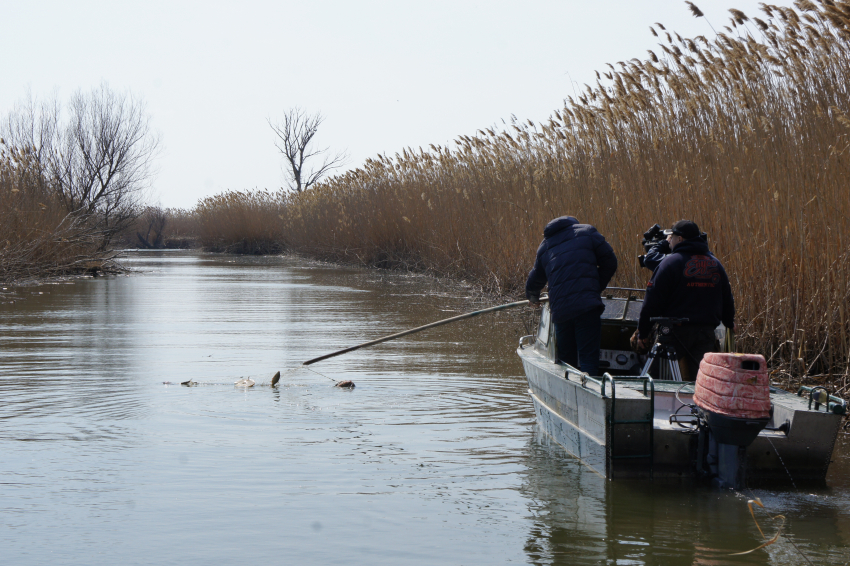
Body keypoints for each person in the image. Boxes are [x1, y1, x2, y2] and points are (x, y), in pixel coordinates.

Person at [636, 220, 735, 380]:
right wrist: (729, 322)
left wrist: (643, 332)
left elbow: (652, 301)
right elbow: (727, 298)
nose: (670, 242)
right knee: (700, 381)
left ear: (680, 239)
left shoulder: (669, 263)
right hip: (706, 334)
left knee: (658, 379)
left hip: (674, 334)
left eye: (672, 237)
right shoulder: (715, 264)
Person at [526, 216, 618, 376]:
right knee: (588, 358)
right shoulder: (587, 232)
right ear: (572, 224)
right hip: (587, 308)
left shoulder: (545, 246)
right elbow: (610, 261)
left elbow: (535, 279)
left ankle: (567, 394)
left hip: (562, 312)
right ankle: (591, 390)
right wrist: (594, 288)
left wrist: (533, 297)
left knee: (566, 363)